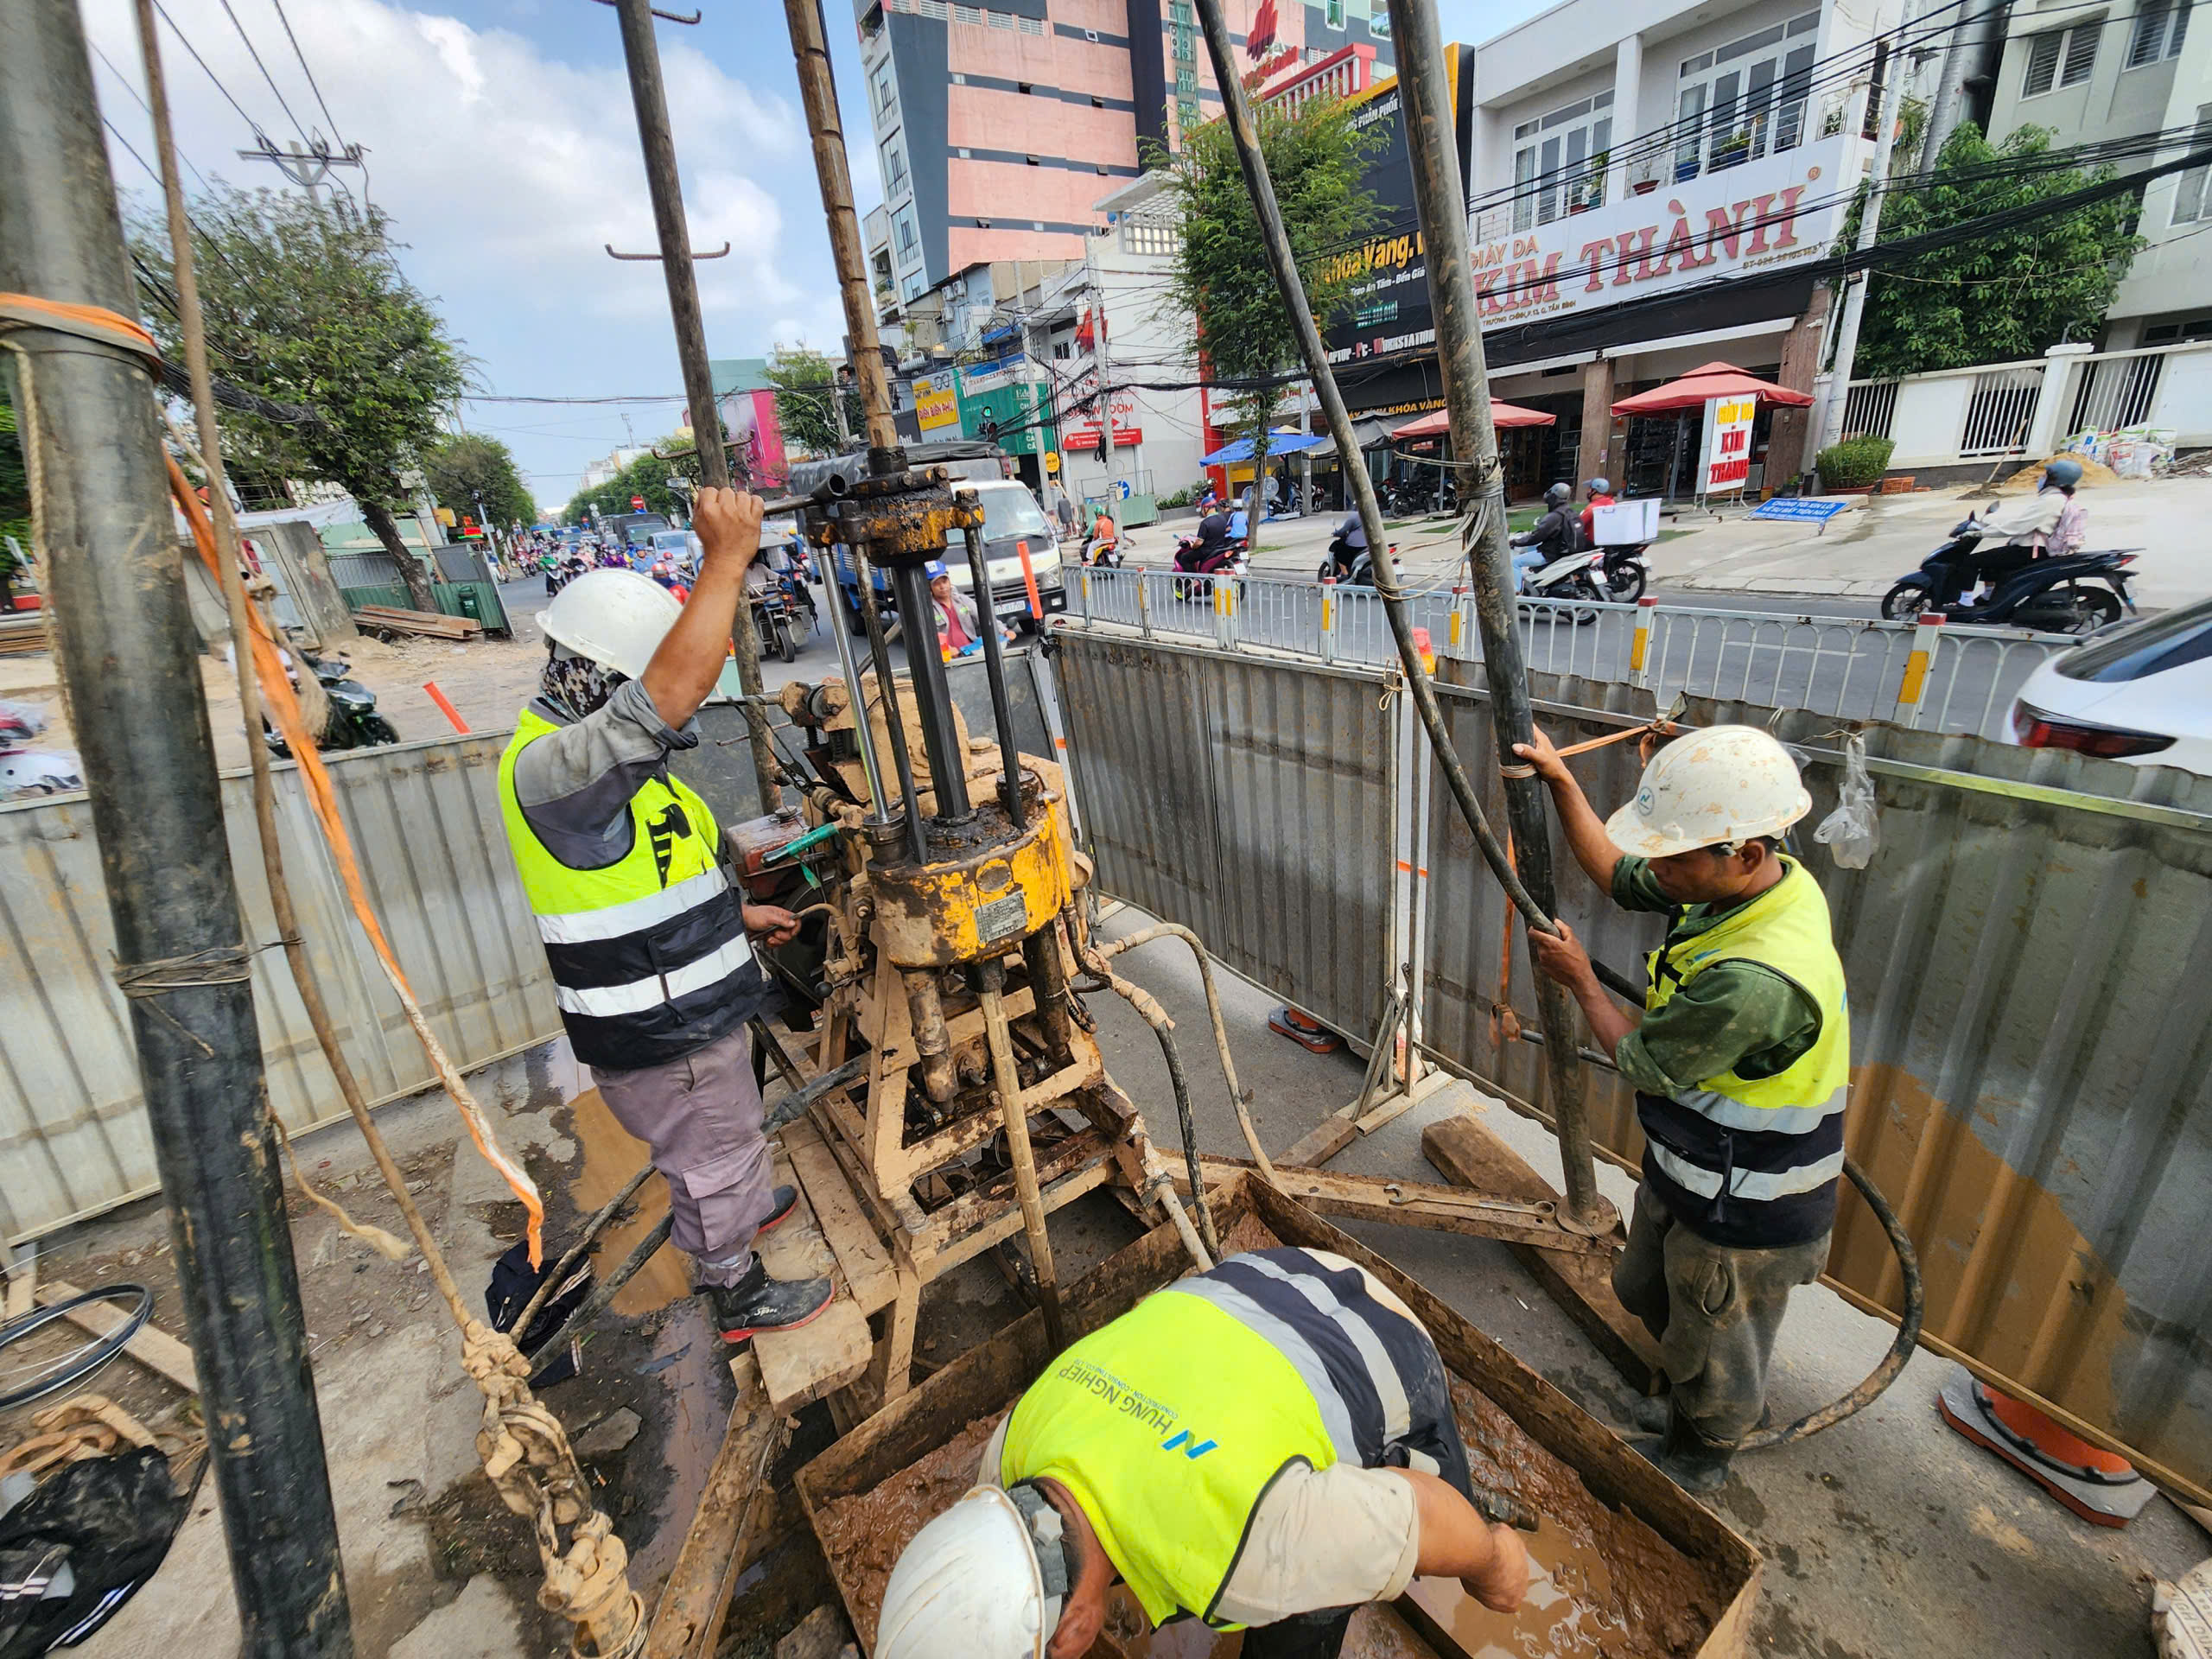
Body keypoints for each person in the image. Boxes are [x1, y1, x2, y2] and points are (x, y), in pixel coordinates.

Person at [496, 487, 833, 1345]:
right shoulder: (555, 772)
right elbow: (667, 698)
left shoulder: (612, 777)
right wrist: (725, 560)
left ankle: (740, 1207)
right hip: (664, 1034)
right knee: (712, 1152)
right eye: (635, 683)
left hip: (687, 1015)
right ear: (603, 675)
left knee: (724, 1138)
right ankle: (735, 1288)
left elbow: (653, 879)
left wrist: (740, 917)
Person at [873, 1247, 1530, 1659]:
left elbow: (1423, 1517)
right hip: (1262, 1275)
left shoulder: (1260, 1546)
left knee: (1318, 1587)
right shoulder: (1012, 1444)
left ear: (1074, 1633)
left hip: (1383, 1341)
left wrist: (1493, 1562)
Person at [1510, 724, 1847, 1494]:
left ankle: (1700, 1458)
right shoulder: (1749, 883)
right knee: (1644, 1291)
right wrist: (1561, 779)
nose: (1659, 870)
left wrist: (1582, 980)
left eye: (1674, 858)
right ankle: (1698, 1394)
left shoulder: (1757, 976)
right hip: (1697, 1170)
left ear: (1745, 854)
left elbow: (1644, 1065)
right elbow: (1620, 874)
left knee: (1715, 1348)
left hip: (1745, 1209)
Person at [1934, 455, 2087, 606]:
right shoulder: (2057, 498)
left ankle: (1965, 602)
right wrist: (1989, 524)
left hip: (2029, 550)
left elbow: (2019, 527)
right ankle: (1988, 597)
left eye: (2045, 475)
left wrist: (1978, 533)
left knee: (1970, 562)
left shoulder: (2050, 501)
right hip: (2032, 548)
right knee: (1991, 561)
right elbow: (2022, 521)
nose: (2041, 478)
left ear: (2054, 479)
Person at [925, 558, 1009, 653]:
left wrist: (1004, 631)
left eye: (944, 582)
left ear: (949, 581)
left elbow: (985, 617)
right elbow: (929, 636)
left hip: (971, 652)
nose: (942, 587)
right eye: (936, 584)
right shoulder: (928, 609)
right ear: (929, 587)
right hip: (947, 656)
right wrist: (945, 649)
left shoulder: (963, 600)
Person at [1508, 483, 1576, 590]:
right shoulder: (1570, 512)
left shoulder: (1555, 516)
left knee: (1515, 562)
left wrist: (1515, 542)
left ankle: (1515, 592)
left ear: (1553, 496)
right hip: (1564, 552)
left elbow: (1536, 537)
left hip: (1551, 554)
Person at [1577, 477, 1616, 552]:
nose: (1588, 491)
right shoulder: (1612, 502)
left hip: (1592, 544)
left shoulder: (1592, 507)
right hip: (1608, 542)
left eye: (1589, 489)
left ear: (1594, 490)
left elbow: (1579, 523)